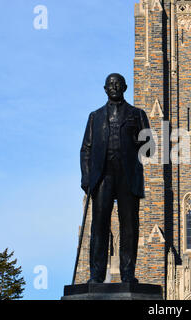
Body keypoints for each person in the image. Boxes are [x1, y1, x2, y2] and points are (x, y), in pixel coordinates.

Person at [80, 73, 153, 284]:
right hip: (102, 176)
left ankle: (128, 274)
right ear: (105, 89)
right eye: (110, 84)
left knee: (129, 226)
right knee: (99, 227)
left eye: (118, 84)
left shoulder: (137, 114)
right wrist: (86, 178)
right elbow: (86, 149)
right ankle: (96, 275)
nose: (114, 87)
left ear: (125, 87)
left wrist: (136, 138)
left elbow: (150, 150)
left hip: (127, 175)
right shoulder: (95, 117)